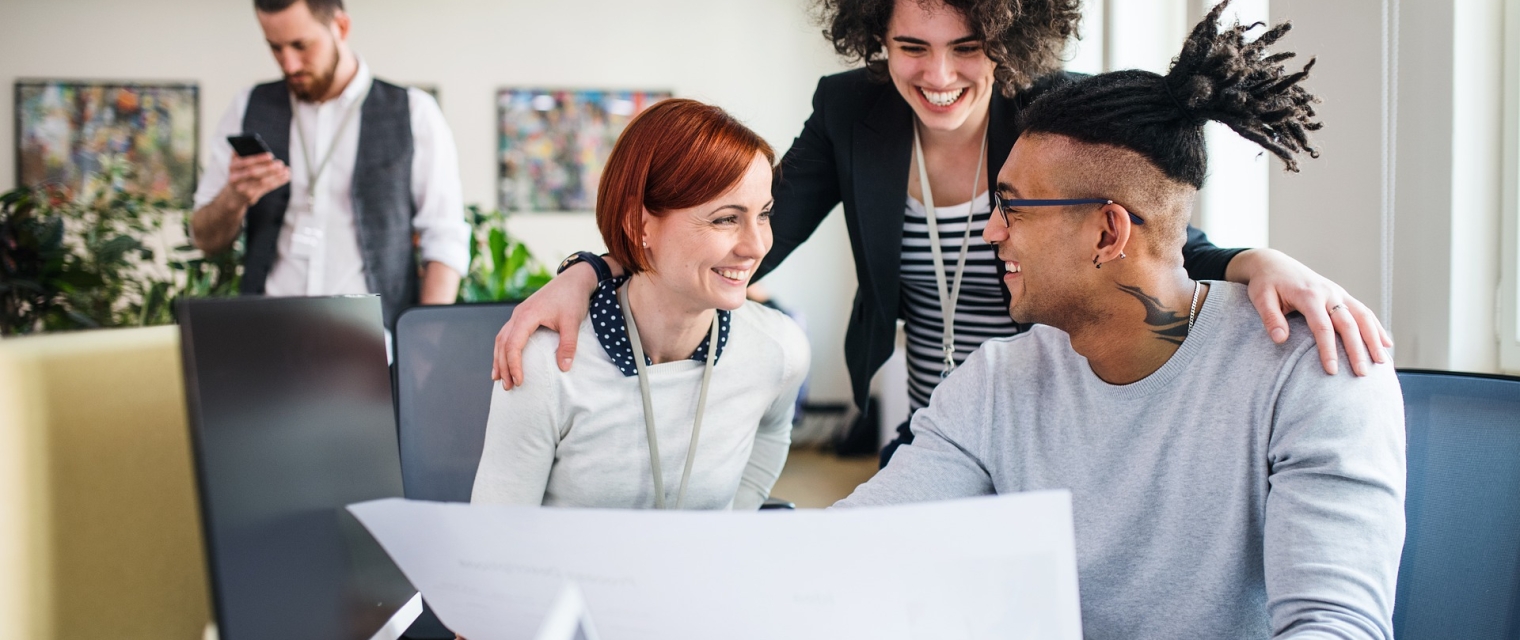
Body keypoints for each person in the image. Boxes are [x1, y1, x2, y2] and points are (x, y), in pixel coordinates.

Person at [488, 0, 1393, 467]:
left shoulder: (1053, 114)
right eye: (911, 46)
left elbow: (1149, 231)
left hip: (1054, 410)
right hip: (934, 422)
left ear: (1009, 34)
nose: (940, 74)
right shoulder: (851, 113)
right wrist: (590, 269)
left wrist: (1254, 259)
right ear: (874, 37)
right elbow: (749, 227)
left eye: (967, 46)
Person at [838, 5, 1405, 638]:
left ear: (1109, 231)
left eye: (1014, 208)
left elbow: (1334, 626)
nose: (990, 231)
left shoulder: (1316, 368)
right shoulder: (998, 381)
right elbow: (856, 547)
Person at [470, 99, 811, 510]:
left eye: (764, 214)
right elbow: (498, 535)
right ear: (638, 224)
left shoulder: (778, 349)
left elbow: (773, 434)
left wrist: (728, 530)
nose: (756, 247)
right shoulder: (549, 364)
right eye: (725, 218)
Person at [190, 0, 468, 330]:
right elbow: (204, 238)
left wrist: (425, 344)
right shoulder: (247, 107)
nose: (289, 64)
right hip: (265, 341)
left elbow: (444, 240)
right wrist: (233, 198)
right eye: (275, 48)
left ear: (342, 27)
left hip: (375, 344)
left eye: (301, 45)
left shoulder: (415, 112)